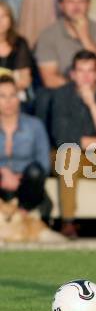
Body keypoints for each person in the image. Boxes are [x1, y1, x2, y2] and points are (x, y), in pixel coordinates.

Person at [51, 50, 96, 238]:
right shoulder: (61, 95)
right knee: (69, 152)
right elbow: (61, 137)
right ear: (72, 74)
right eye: (81, 71)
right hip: (69, 155)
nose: (85, 77)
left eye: (90, 71)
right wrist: (94, 142)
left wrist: (92, 104)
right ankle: (68, 222)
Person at [35, 0, 96, 89]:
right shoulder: (48, 35)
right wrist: (82, 86)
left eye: (81, 1)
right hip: (64, 93)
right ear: (61, 5)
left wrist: (85, 38)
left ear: (88, 4)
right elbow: (50, 80)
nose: (76, 7)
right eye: (70, 2)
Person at [0, 75, 51, 219]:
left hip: (27, 185)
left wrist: (19, 177)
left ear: (19, 98)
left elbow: (44, 164)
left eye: (12, 95)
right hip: (1, 183)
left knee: (35, 172)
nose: (8, 101)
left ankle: (22, 213)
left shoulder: (35, 125)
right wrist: (3, 172)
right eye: (2, 96)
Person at [0, 0, 33, 96]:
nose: (0, 21)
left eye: (4, 16)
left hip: (15, 95)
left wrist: (5, 94)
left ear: (10, 19)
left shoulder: (20, 43)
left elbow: (24, 80)